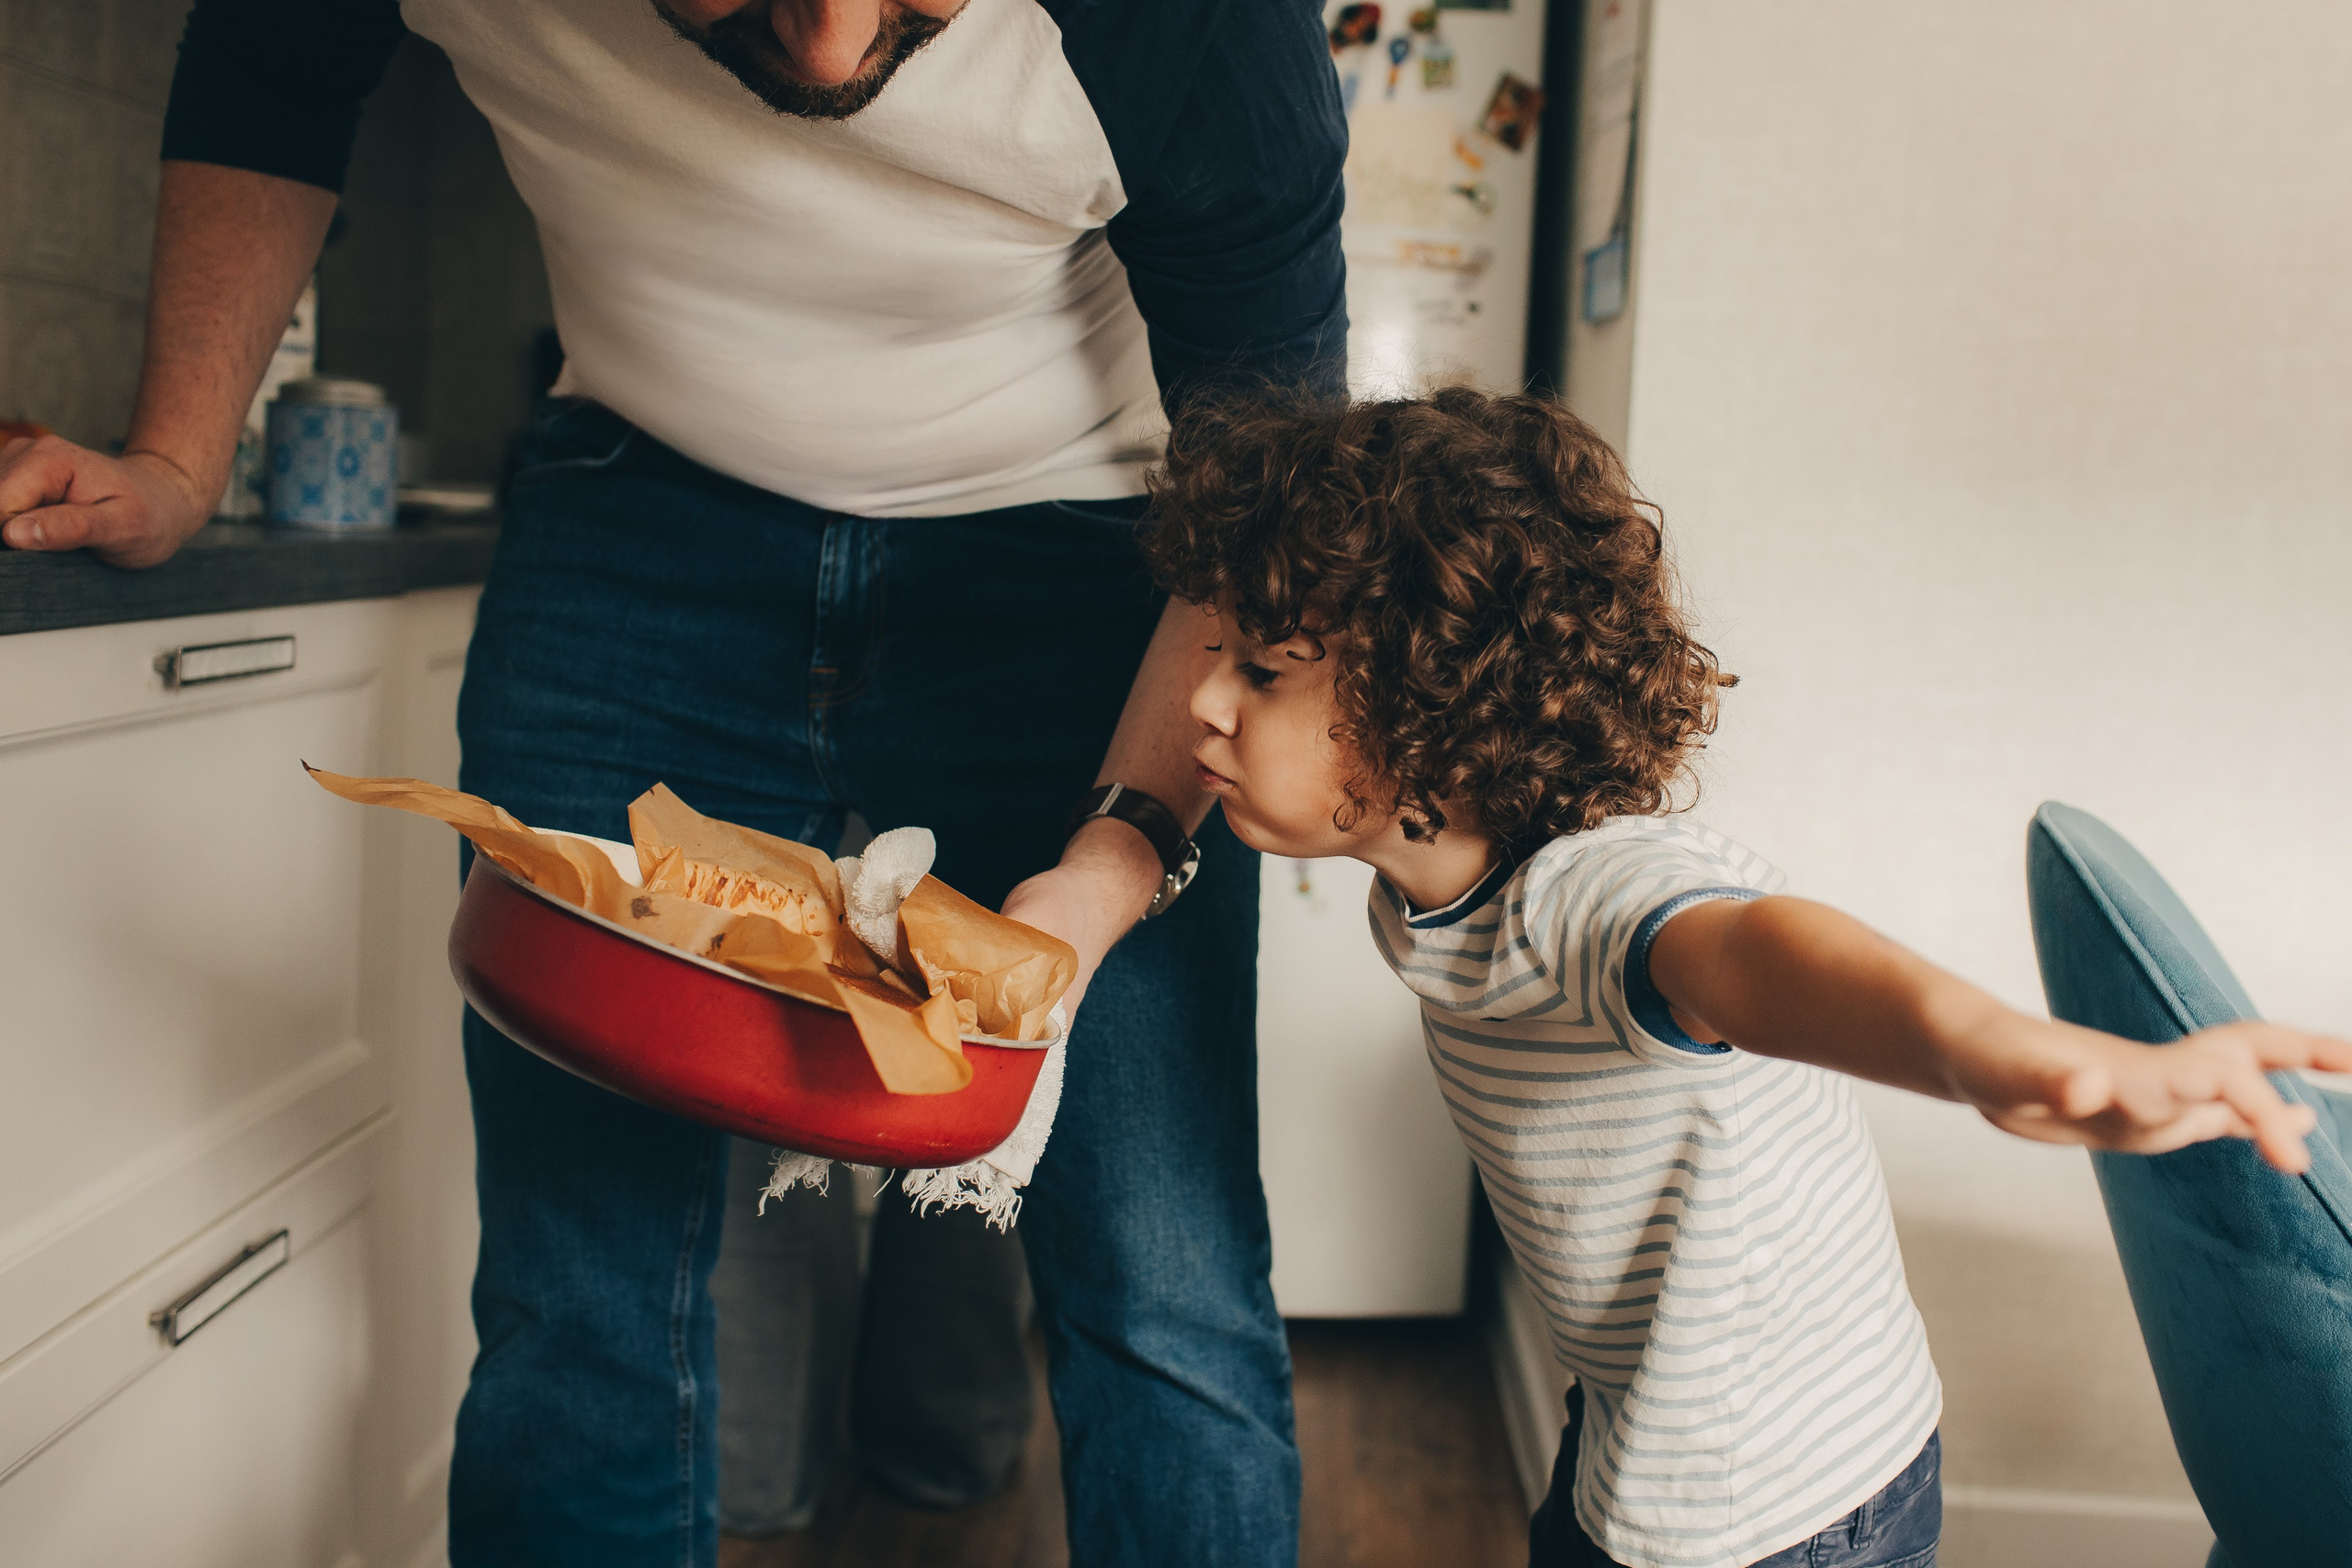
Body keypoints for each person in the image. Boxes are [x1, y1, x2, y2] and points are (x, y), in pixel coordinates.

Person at [0, 3, 1345, 1562]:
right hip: (639, 529)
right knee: (582, 1296)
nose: (835, 54)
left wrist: (1113, 858)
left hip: (1091, 569)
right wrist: (177, 457)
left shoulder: (1209, 31)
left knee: (1161, 1280)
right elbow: (270, 61)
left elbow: (1275, 508)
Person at [1139, 387, 2352, 1568]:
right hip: (1643, 1419)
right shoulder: (1421, 892)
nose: (1199, 702)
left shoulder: (1592, 893)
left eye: (1263, 669)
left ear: (1434, 695)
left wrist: (1991, 1052)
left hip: (1777, 1499)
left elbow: (1751, 953)